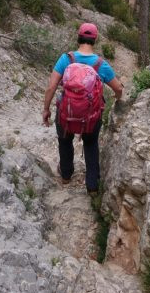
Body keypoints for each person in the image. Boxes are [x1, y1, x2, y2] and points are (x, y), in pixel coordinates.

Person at [42, 22, 123, 194]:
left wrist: (46, 109)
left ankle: (65, 175)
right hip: (90, 117)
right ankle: (92, 187)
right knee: (91, 144)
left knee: (64, 141)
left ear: (78, 37)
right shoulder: (101, 65)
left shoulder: (66, 59)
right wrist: (118, 99)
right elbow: (118, 88)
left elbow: (51, 87)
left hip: (66, 113)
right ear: (95, 40)